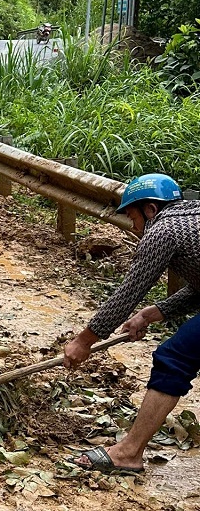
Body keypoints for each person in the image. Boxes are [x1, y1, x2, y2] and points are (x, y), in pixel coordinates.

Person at [63, 174, 199, 476]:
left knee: (174, 358)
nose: (134, 227)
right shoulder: (193, 216)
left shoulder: (164, 229)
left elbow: (129, 292)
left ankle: (128, 452)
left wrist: (84, 340)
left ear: (150, 209)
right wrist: (153, 313)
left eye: (133, 217)